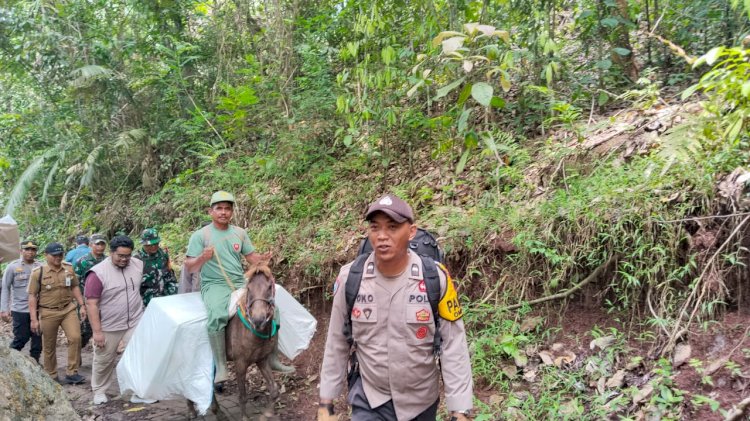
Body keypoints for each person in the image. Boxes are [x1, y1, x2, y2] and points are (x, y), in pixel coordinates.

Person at [317, 194, 474, 421]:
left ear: (411, 231)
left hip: (421, 402)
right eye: (375, 227)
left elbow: (453, 345)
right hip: (370, 398)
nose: (382, 236)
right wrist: (326, 401)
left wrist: (459, 409)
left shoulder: (435, 279)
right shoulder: (351, 277)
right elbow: (336, 341)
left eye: (392, 227)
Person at [184, 191, 292, 388]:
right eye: (219, 209)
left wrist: (263, 260)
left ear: (232, 211)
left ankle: (273, 357)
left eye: (227, 208)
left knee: (272, 309)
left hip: (239, 281)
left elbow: (251, 258)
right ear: (211, 211)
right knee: (217, 316)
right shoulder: (201, 236)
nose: (223, 212)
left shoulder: (239, 233)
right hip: (214, 284)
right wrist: (202, 258)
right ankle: (221, 366)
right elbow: (189, 266)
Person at [84, 235, 145, 405]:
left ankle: (134, 390)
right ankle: (99, 391)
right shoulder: (97, 273)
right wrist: (97, 332)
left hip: (134, 320)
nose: (124, 259)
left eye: (128, 256)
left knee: (136, 357)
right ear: (111, 253)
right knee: (104, 360)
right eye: (120, 256)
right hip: (109, 325)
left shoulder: (138, 264)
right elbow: (92, 304)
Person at [28, 242, 87, 385]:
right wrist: (34, 319)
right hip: (48, 312)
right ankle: (52, 374)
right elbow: (32, 296)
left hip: (68, 309)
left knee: (75, 338)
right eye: (54, 255)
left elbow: (74, 287)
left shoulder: (68, 269)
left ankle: (72, 372)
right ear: (46, 256)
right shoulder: (38, 273)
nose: (57, 257)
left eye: (60, 254)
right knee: (49, 345)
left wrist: (82, 305)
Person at [0, 240, 42, 362]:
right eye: (27, 249)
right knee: (21, 338)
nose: (30, 252)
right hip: (20, 309)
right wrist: (4, 309)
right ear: (21, 251)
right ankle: (9, 362)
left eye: (33, 249)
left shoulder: (40, 266)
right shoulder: (12, 267)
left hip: (39, 309)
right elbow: (5, 289)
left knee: (37, 340)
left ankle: (35, 363)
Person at [73, 233, 108, 351]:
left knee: (104, 328)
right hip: (87, 300)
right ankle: (76, 355)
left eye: (102, 244)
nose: (100, 247)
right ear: (91, 245)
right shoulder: (82, 261)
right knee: (85, 330)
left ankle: (101, 355)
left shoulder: (108, 261)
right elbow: (75, 283)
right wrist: (80, 303)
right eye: (97, 244)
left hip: (105, 300)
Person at [133, 228, 177, 306]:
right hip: (147, 299)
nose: (154, 247)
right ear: (144, 244)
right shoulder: (136, 259)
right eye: (150, 245)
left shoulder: (163, 254)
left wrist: (173, 289)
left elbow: (170, 275)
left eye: (156, 243)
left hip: (166, 294)